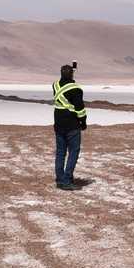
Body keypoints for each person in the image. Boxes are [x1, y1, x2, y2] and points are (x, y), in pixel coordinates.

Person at [52, 62, 87, 190]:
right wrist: (83, 122)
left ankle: (60, 179)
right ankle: (67, 180)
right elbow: (80, 108)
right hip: (72, 125)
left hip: (58, 124)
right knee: (73, 152)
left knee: (60, 152)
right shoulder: (76, 89)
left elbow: (64, 87)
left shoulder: (55, 86)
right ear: (71, 74)